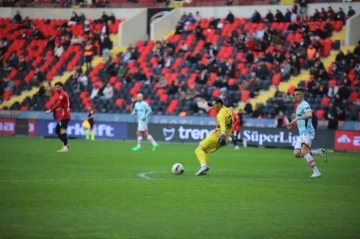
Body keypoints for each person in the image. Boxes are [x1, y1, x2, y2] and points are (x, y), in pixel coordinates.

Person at [286, 88, 327, 178]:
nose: (295, 96)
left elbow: (309, 115)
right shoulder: (299, 106)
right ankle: (318, 152)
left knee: (304, 151)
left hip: (307, 132)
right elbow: (301, 120)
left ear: (302, 95)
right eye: (294, 94)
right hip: (302, 133)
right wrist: (293, 123)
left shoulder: (305, 104)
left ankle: (316, 172)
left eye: (297, 94)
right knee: (297, 154)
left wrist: (297, 118)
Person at [195, 98, 233, 176]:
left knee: (198, 150)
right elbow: (214, 103)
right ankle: (204, 170)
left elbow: (222, 125)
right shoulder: (227, 110)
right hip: (226, 138)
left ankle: (203, 166)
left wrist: (222, 135)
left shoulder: (221, 115)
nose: (213, 107)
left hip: (218, 136)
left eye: (214, 105)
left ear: (219, 104)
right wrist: (211, 103)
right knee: (204, 151)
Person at [45, 82, 71, 152]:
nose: (57, 88)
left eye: (58, 87)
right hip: (63, 116)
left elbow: (58, 104)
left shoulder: (62, 94)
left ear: (62, 87)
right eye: (56, 87)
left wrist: (50, 110)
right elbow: (64, 104)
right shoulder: (62, 94)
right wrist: (61, 108)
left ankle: (65, 148)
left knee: (63, 131)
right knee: (57, 130)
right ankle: (65, 144)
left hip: (65, 116)